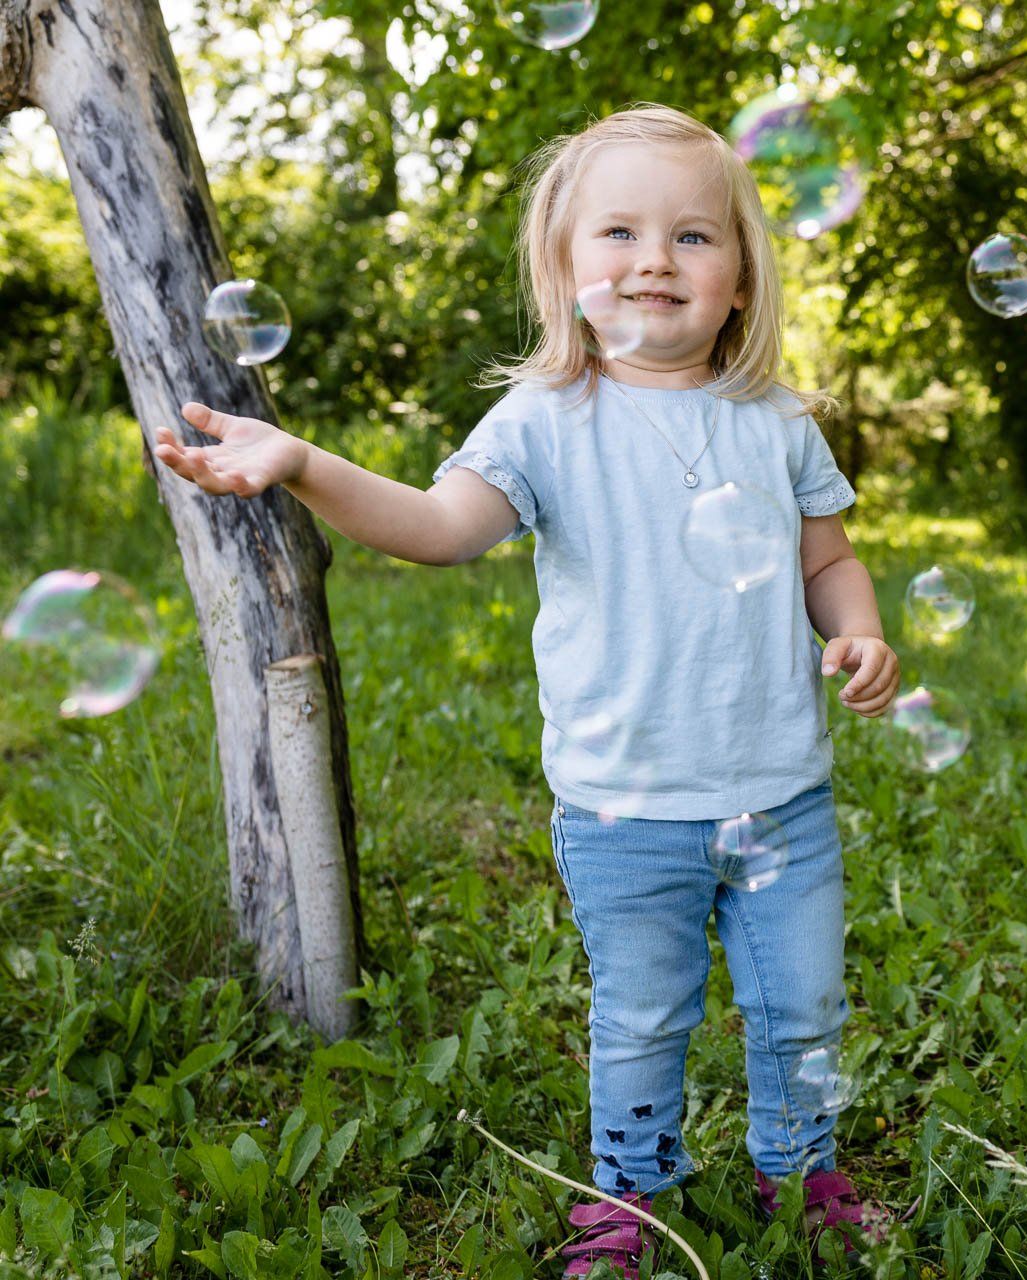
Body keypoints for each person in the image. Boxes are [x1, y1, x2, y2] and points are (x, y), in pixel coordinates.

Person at [154, 102, 901, 1274]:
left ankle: (800, 1172)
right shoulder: (550, 422)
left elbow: (828, 559)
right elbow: (439, 527)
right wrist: (303, 462)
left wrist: (857, 628)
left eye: (695, 238)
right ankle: (631, 1199)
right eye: (619, 233)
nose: (655, 258)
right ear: (563, 273)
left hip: (783, 800)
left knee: (801, 1006)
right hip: (624, 807)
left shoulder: (777, 421)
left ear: (744, 280)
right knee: (644, 1015)